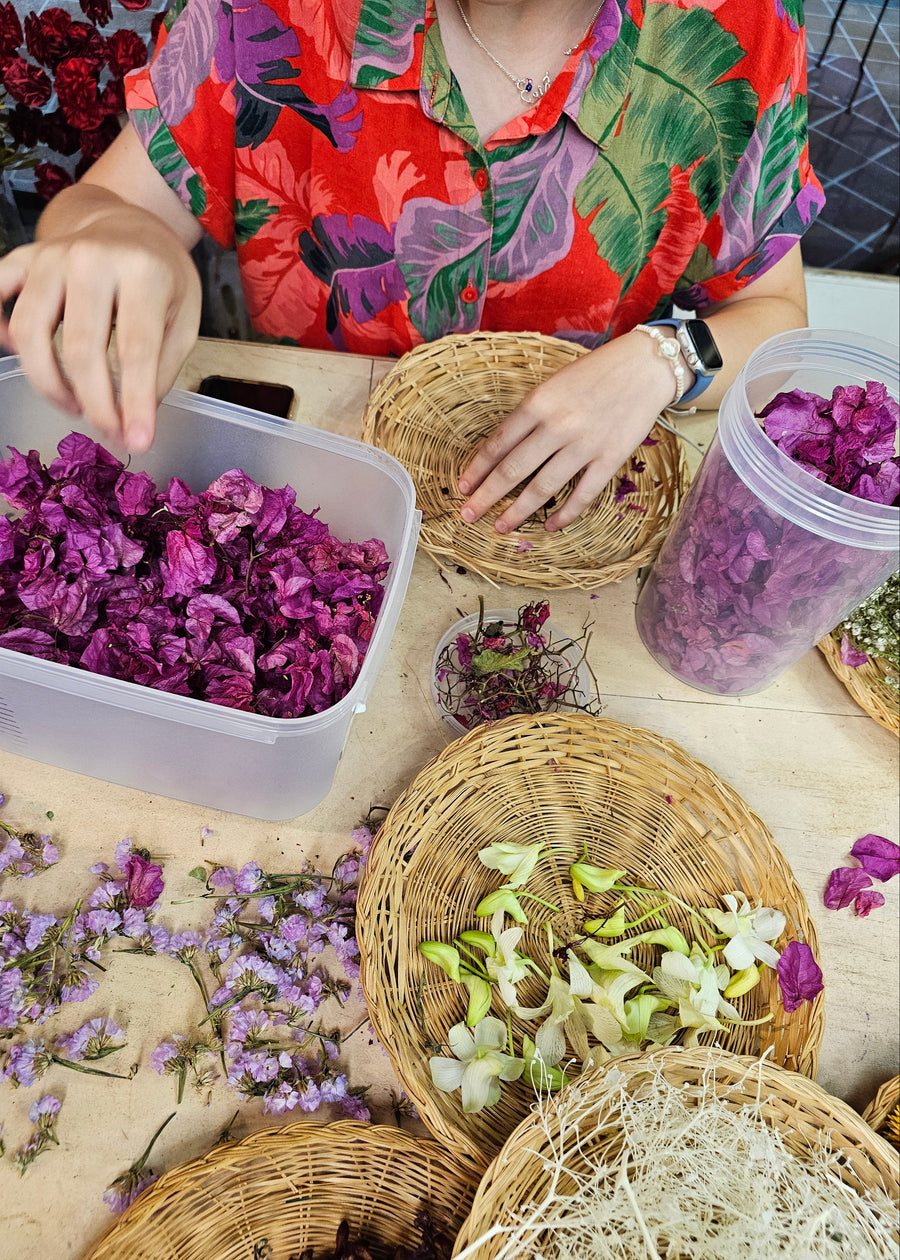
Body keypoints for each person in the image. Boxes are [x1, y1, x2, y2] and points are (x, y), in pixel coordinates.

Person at [0, 0, 823, 534]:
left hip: (574, 523)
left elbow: (775, 317)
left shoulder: (743, 35)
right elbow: (114, 206)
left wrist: (664, 360)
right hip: (309, 501)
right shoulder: (262, 11)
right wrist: (119, 235)